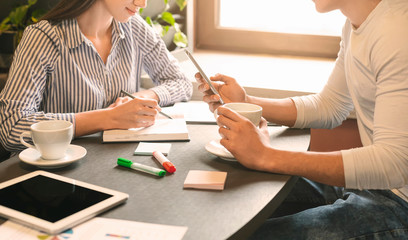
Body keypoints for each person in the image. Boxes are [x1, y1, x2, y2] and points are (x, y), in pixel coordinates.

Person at [196, 0, 408, 238]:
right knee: (232, 196)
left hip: (400, 203)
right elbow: (331, 106)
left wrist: (267, 156)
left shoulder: (398, 31)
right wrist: (248, 101)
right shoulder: (356, 24)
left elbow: (395, 163)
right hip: (373, 186)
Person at [0, 0, 192, 153]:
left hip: (111, 164)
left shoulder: (134, 27)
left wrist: (137, 100)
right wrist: (108, 118)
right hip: (56, 179)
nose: (142, 3)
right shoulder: (43, 38)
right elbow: (11, 127)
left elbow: (180, 82)